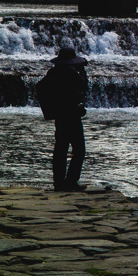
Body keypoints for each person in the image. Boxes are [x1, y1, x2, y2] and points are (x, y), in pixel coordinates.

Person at [45, 46, 89, 191]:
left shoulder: (53, 72)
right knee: (79, 150)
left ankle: (58, 182)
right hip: (72, 116)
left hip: (60, 116)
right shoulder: (71, 73)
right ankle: (71, 181)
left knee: (60, 149)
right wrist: (82, 70)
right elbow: (84, 86)